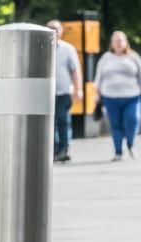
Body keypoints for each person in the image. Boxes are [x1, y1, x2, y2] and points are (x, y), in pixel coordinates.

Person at [93, 31, 141, 161]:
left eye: (121, 40)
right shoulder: (106, 58)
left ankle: (131, 144)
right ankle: (118, 152)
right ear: (112, 43)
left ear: (126, 42)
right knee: (115, 125)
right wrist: (96, 95)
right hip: (110, 97)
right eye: (116, 40)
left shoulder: (134, 57)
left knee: (132, 120)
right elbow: (98, 78)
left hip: (132, 96)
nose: (119, 42)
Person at [47, 20, 82, 163]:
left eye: (56, 28)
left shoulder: (68, 49)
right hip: (45, 93)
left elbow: (75, 71)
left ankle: (64, 149)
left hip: (63, 92)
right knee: (49, 122)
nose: (54, 31)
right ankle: (54, 150)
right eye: (51, 28)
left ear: (61, 31)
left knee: (62, 120)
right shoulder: (41, 47)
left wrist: (78, 89)